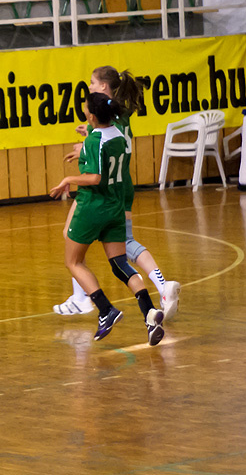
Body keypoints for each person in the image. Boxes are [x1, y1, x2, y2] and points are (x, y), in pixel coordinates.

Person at [53, 66, 181, 320]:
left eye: (92, 83)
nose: (89, 87)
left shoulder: (108, 126)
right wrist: (87, 140)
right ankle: (152, 292)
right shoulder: (119, 117)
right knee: (114, 245)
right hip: (120, 187)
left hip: (106, 192)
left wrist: (84, 150)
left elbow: (100, 163)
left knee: (99, 245)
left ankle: (91, 299)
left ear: (103, 88)